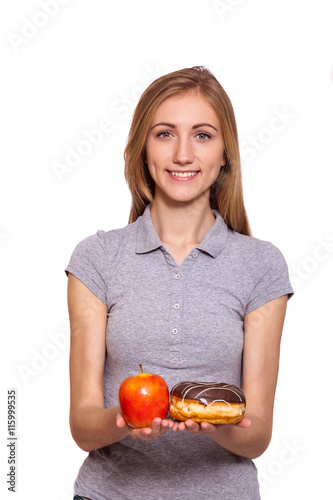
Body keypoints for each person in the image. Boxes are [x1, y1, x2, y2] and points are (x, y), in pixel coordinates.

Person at [66, 66, 293, 500]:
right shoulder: (96, 258)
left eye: (203, 135)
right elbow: (82, 426)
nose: (183, 154)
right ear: (142, 149)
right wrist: (125, 421)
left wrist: (215, 429)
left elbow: (259, 434)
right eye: (165, 134)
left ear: (225, 153)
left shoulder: (261, 265)